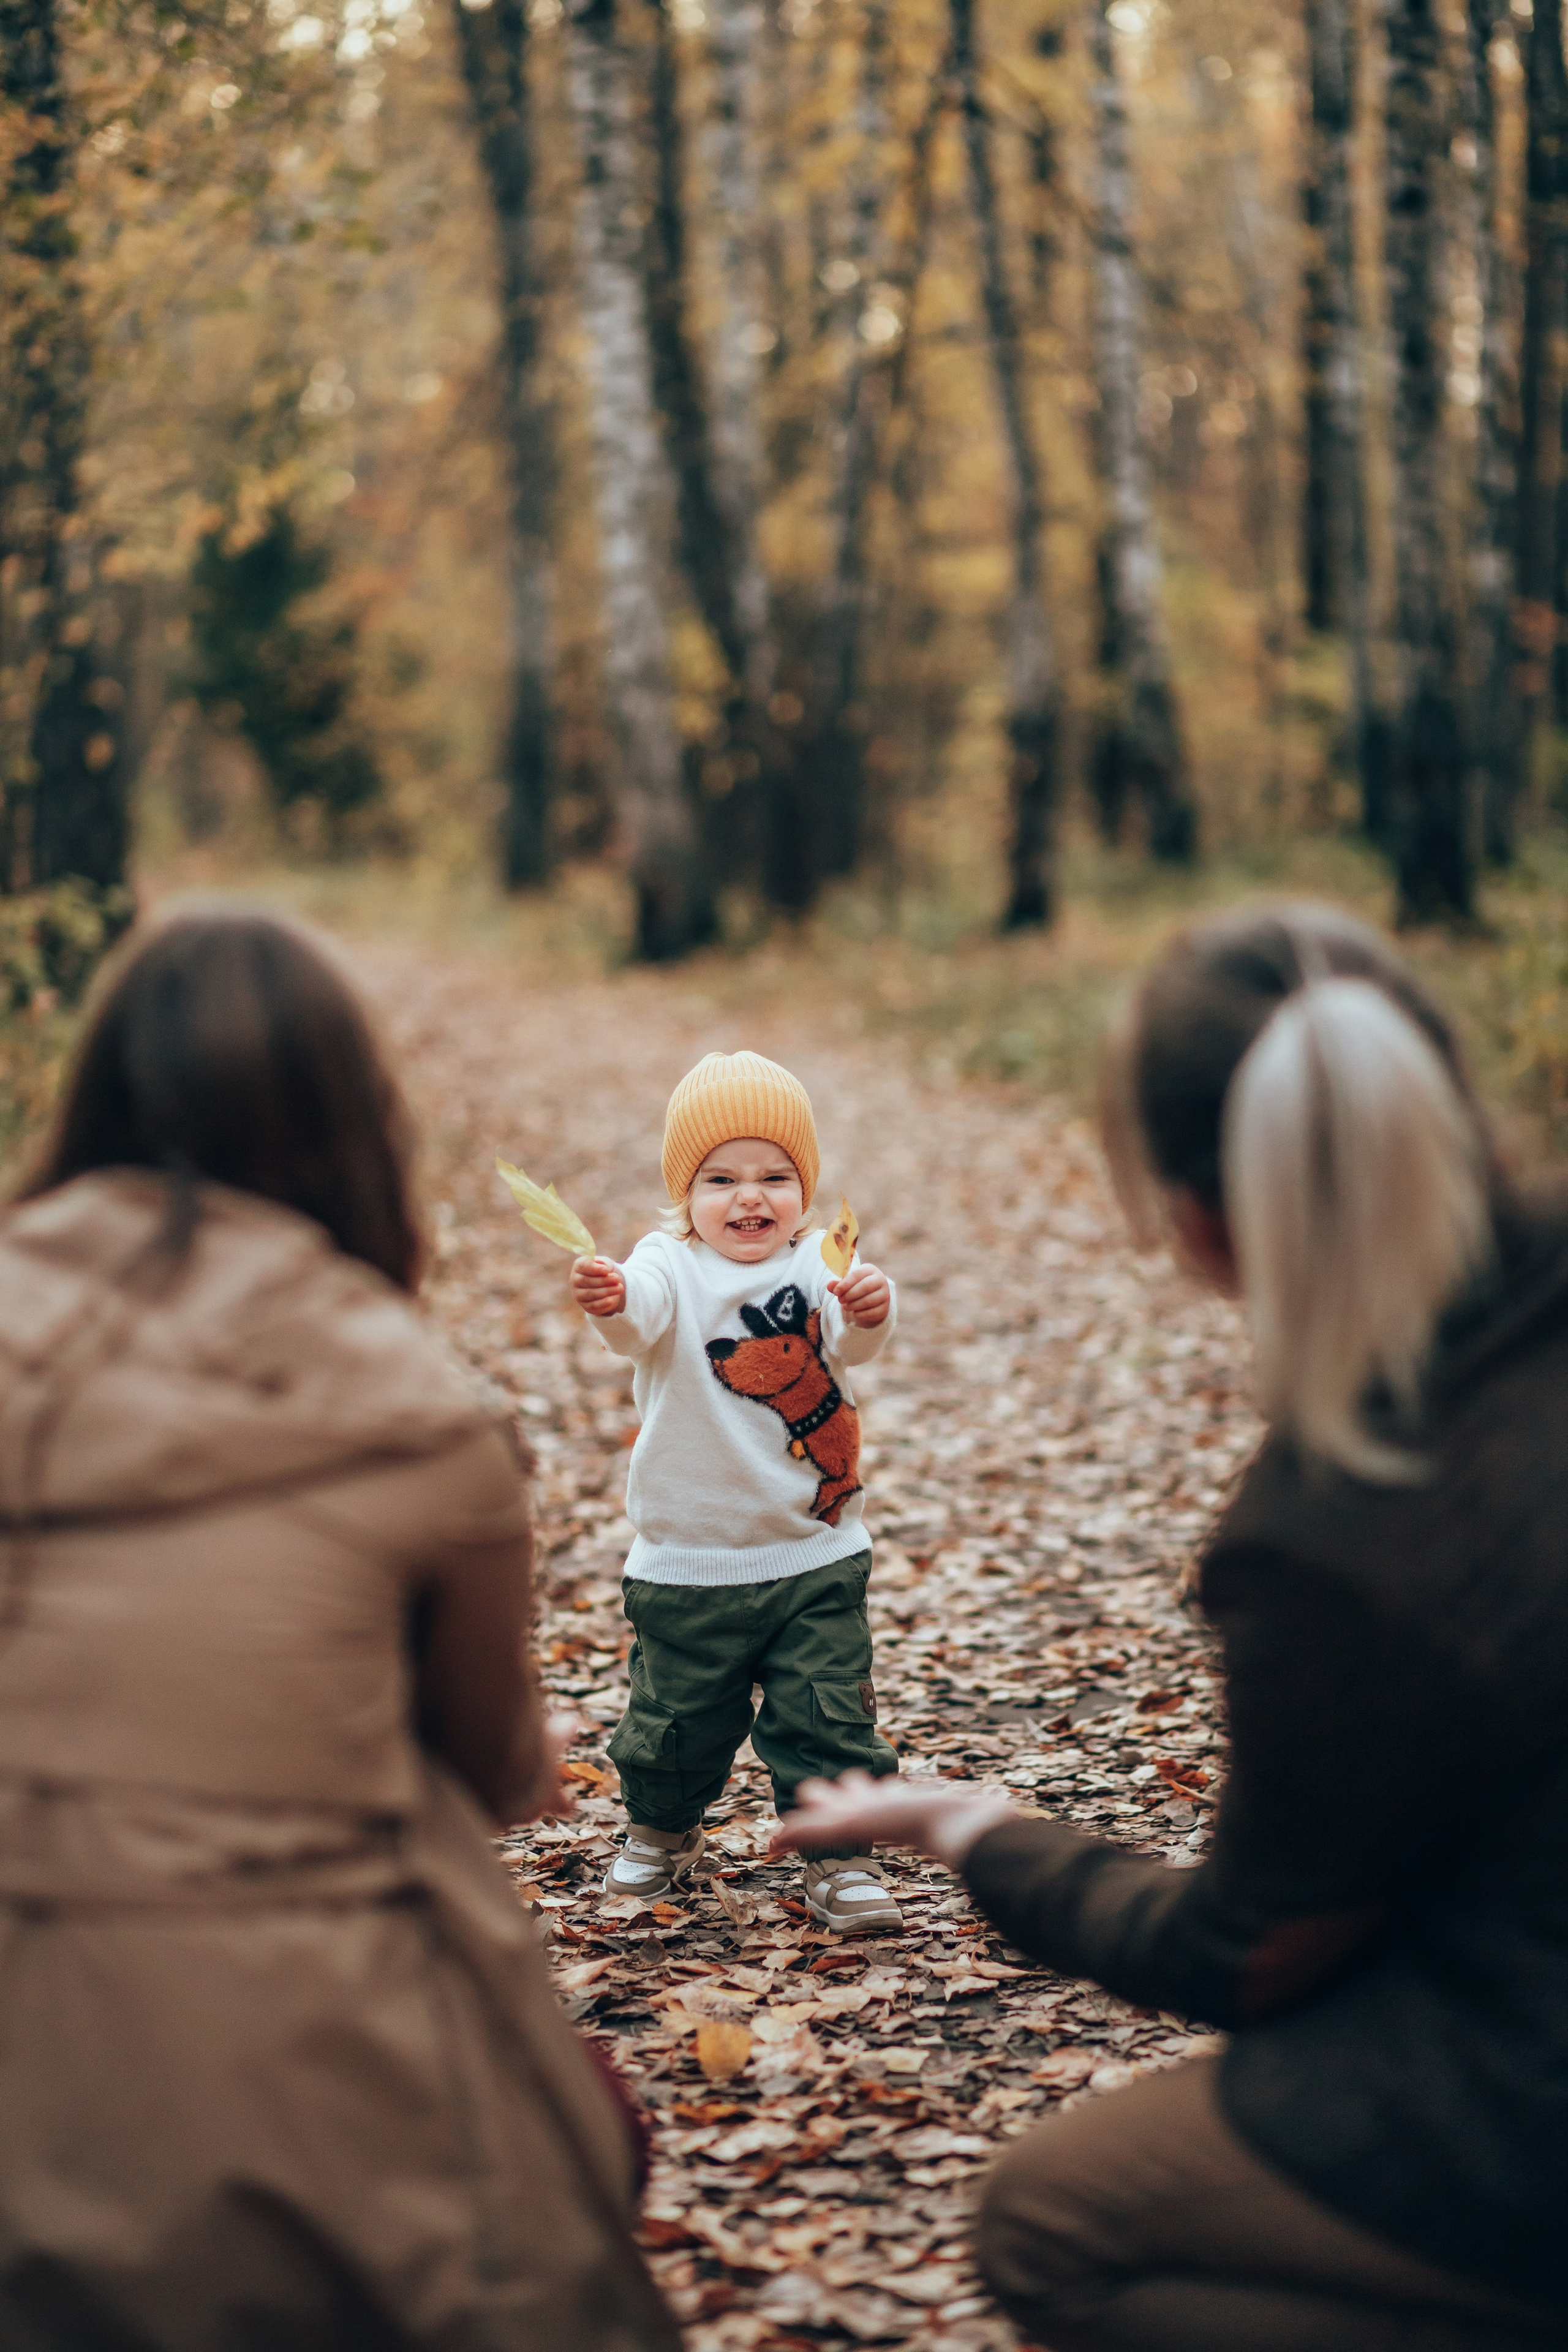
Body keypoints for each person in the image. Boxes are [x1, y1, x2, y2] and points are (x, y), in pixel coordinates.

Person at [774, 903, 1568, 2349]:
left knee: (1056, 2217)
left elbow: (1254, 1952)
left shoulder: (1339, 1531)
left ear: (1199, 1219)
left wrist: (981, 1833)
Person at [0, 906, 679, 2352]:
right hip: (307, 2069)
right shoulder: (418, 1416)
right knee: (592, 2147)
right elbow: (494, 1776)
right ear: (354, 1132)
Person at [569, 1049, 902, 1933]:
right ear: (685, 1194)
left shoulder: (813, 1263)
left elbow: (849, 1338)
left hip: (812, 1549)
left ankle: (840, 1849)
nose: (749, 1197)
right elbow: (636, 1316)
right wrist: (609, 1298)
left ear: (805, 1187)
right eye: (721, 1178)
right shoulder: (667, 1266)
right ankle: (662, 1830)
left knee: (827, 1709)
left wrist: (869, 1303)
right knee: (675, 1717)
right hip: (689, 1559)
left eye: (775, 1176)